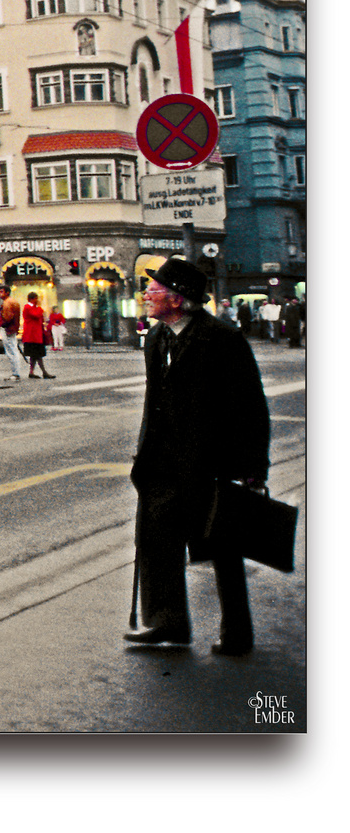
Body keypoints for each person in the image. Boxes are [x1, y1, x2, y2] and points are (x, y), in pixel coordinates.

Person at [125, 258, 270, 655]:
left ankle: (237, 633)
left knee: (223, 548)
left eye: (153, 291)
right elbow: (154, 401)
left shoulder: (220, 337)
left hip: (211, 464)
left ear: (177, 298)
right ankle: (167, 623)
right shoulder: (157, 337)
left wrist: (254, 468)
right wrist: (144, 453)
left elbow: (250, 406)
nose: (147, 296)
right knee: (156, 544)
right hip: (162, 464)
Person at [21, 292, 54, 378]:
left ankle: (32, 371)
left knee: (34, 355)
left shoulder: (34, 308)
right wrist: (39, 307)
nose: (37, 300)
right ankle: (44, 372)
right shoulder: (28, 307)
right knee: (37, 355)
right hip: (32, 335)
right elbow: (36, 315)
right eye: (36, 298)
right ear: (32, 299)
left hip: (36, 335)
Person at [0, 285, 24, 381]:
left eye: (1, 291)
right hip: (13, 329)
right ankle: (16, 372)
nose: (0, 294)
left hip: (8, 329)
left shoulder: (7, 303)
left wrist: (3, 324)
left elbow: (7, 317)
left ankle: (15, 373)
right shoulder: (14, 302)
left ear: (7, 292)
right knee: (13, 350)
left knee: (11, 351)